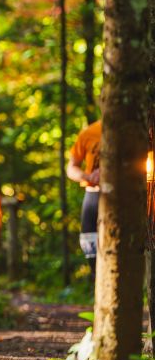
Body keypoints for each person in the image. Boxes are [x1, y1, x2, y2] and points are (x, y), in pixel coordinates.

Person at [66, 118, 101, 281]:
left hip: (126, 196)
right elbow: (71, 167)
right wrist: (87, 176)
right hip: (94, 192)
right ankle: (97, 279)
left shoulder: (135, 130)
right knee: (89, 242)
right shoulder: (89, 133)